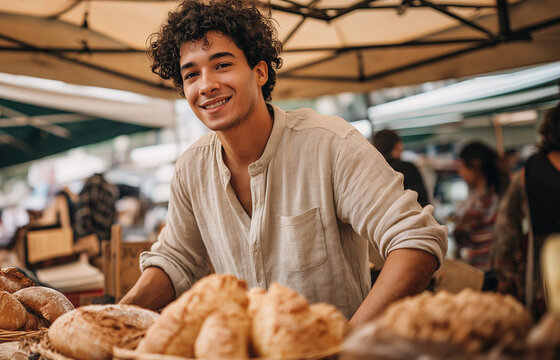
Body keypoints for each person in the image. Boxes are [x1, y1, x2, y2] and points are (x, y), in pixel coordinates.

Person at [120, 0, 447, 326]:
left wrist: (350, 343)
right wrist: (115, 314)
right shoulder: (190, 169)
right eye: (191, 74)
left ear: (259, 71)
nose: (205, 85)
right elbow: (177, 259)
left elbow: (415, 239)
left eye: (222, 65)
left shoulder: (330, 144)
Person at [493, 104, 560, 319]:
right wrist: (506, 272)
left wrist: (506, 271)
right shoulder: (530, 171)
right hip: (546, 263)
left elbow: (508, 224)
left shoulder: (530, 170)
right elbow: (509, 223)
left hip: (543, 266)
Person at [452, 141, 508, 272]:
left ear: (475, 164)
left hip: (496, 270)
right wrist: (461, 226)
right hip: (478, 269)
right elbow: (464, 240)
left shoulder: (498, 196)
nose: (460, 173)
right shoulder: (473, 200)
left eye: (462, 167)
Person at [372, 129, 430, 207]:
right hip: (410, 217)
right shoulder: (409, 168)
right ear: (397, 145)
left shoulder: (375, 173)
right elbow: (423, 201)